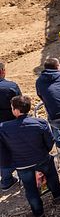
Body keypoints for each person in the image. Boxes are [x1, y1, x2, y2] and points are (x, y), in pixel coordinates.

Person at [0, 95, 60, 217]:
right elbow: (50, 141)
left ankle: (38, 213)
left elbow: (3, 149)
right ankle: (58, 196)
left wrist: (9, 162)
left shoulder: (3, 128)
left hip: (22, 164)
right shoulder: (40, 122)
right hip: (42, 158)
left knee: (30, 190)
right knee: (52, 177)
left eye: (12, 108)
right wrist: (44, 152)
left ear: (16, 111)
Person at [0, 61, 21, 190]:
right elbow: (20, 103)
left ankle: (6, 180)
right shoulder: (11, 86)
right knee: (18, 149)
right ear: (2, 71)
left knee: (2, 152)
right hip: (11, 124)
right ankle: (24, 175)